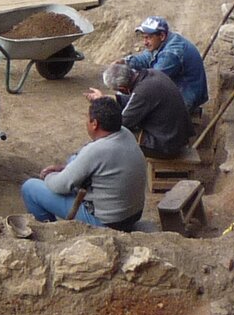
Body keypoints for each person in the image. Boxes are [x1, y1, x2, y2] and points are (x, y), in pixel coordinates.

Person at [19, 97, 151, 230]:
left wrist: (48, 176)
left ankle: (49, 233)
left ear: (94, 124)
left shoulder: (97, 150)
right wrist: (65, 169)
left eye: (87, 118)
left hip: (106, 222)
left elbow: (60, 186)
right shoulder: (125, 133)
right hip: (130, 215)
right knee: (73, 159)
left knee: (30, 188)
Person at [91, 61, 192, 158]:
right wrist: (105, 98)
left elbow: (121, 123)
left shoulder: (143, 92)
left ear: (122, 88)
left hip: (166, 146)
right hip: (176, 137)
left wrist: (103, 108)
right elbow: (133, 100)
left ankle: (116, 167)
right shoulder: (152, 74)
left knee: (112, 135)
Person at [124, 16, 208, 112]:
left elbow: (152, 82)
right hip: (179, 84)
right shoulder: (162, 42)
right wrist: (126, 62)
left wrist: (131, 87)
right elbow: (146, 58)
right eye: (144, 37)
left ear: (162, 36)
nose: (145, 42)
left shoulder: (170, 54)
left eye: (148, 37)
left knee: (149, 109)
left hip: (187, 93)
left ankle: (183, 114)